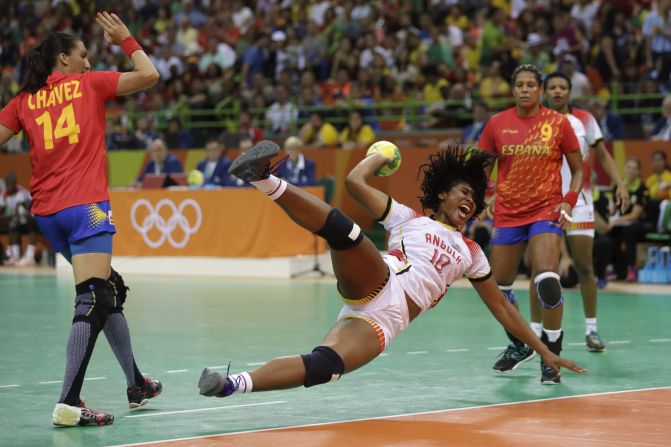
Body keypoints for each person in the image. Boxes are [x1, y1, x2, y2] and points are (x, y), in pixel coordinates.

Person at [197, 140, 585, 399]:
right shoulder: (408, 219)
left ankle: (230, 384)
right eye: (463, 192)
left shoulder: (472, 253)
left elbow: (503, 309)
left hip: (387, 320)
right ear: (442, 195)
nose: (470, 200)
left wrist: (545, 351)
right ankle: (263, 178)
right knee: (346, 234)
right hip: (377, 278)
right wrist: (381, 154)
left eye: (475, 198)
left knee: (326, 367)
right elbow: (354, 182)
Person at [0, 12, 162, 426]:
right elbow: (149, 75)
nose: (89, 63)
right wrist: (126, 39)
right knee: (93, 297)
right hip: (87, 207)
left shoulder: (22, 101)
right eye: (84, 55)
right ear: (64, 61)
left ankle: (135, 383)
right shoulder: (88, 85)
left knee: (108, 290)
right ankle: (69, 402)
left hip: (48, 213)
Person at [477, 64, 583, 384]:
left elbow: (578, 169)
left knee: (547, 279)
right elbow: (483, 168)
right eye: (519, 85)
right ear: (513, 90)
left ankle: (551, 348)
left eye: (530, 85)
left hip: (546, 210)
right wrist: (488, 193)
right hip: (508, 214)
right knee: (499, 288)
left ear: (540, 90)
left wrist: (569, 200)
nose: (524, 90)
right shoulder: (497, 124)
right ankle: (520, 344)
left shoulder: (557, 123)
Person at [532, 72, 629, 353]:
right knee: (542, 270)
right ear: (545, 91)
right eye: (553, 87)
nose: (558, 91)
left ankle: (591, 330)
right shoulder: (536, 120)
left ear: (570, 91)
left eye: (563, 87)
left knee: (585, 266)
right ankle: (535, 334)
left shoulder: (585, 119)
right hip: (545, 202)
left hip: (580, 203)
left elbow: (603, 155)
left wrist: (620, 184)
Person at [608, 157, 648, 281]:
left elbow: (635, 215)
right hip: (620, 223)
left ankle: (631, 268)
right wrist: (612, 207)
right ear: (624, 169)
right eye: (629, 168)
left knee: (629, 231)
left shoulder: (642, 188)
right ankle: (612, 267)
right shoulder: (618, 186)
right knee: (608, 232)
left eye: (635, 169)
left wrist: (615, 221)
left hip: (638, 223)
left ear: (639, 171)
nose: (632, 171)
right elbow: (614, 209)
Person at [0, 172, 39, 266]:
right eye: (8, 184)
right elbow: (1, 210)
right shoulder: (3, 195)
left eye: (12, 184)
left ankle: (30, 256)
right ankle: (15, 256)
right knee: (13, 225)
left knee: (15, 223)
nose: (10, 186)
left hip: (31, 217)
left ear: (15, 183)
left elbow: (20, 212)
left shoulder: (20, 192)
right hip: (17, 220)